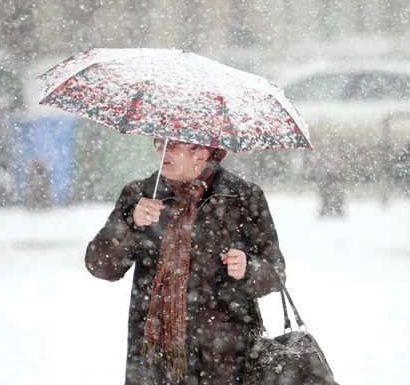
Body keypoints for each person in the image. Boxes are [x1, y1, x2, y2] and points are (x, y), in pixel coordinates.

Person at [85, 137, 286, 385]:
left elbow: (275, 272)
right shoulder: (141, 195)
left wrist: (249, 268)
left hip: (225, 361)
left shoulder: (242, 197)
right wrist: (130, 223)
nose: (162, 150)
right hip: (154, 363)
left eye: (172, 145)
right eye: (159, 142)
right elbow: (100, 266)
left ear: (201, 152)